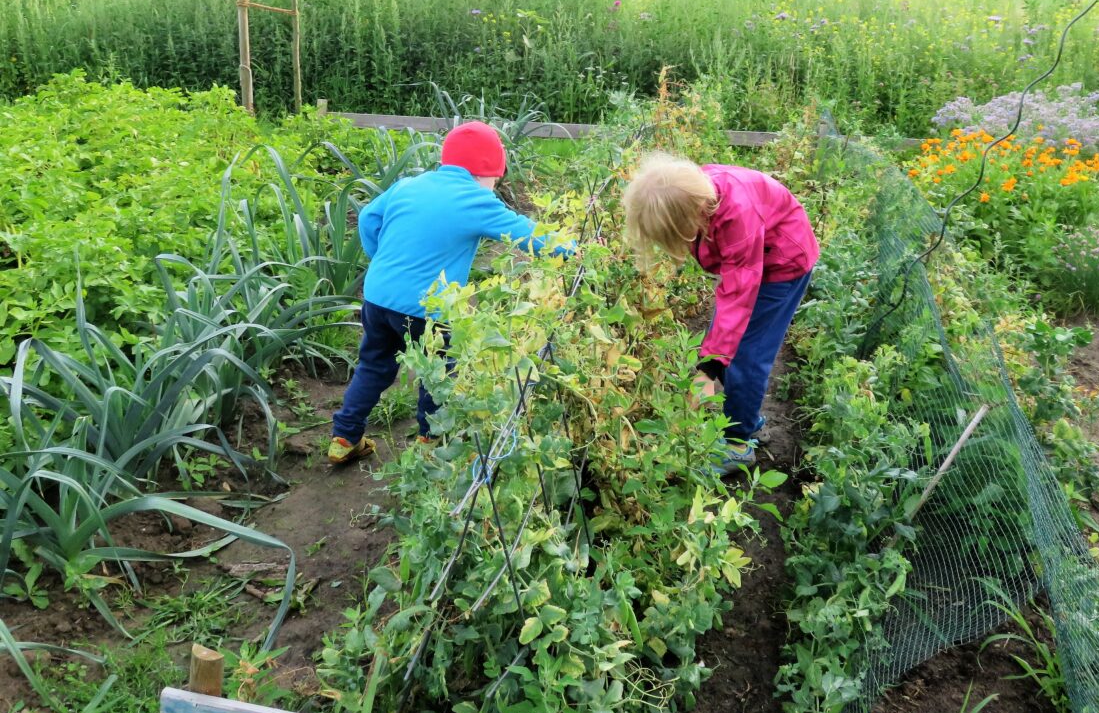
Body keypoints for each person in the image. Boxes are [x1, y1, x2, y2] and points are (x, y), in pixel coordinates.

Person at [328, 121, 572, 465]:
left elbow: (369, 218)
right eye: (494, 181)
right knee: (439, 373)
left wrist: (381, 258)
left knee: (373, 365)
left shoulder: (408, 184)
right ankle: (432, 442)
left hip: (378, 295)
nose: (494, 188)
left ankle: (344, 436)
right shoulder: (475, 199)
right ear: (484, 173)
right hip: (429, 309)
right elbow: (528, 233)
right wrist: (575, 250)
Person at [622, 152, 819, 475]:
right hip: (757, 257)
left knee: (746, 354)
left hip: (783, 263)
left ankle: (738, 443)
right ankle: (748, 415)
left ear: (691, 217)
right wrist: (711, 363)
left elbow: (739, 296)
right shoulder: (693, 190)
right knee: (723, 340)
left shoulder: (737, 214)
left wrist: (708, 370)